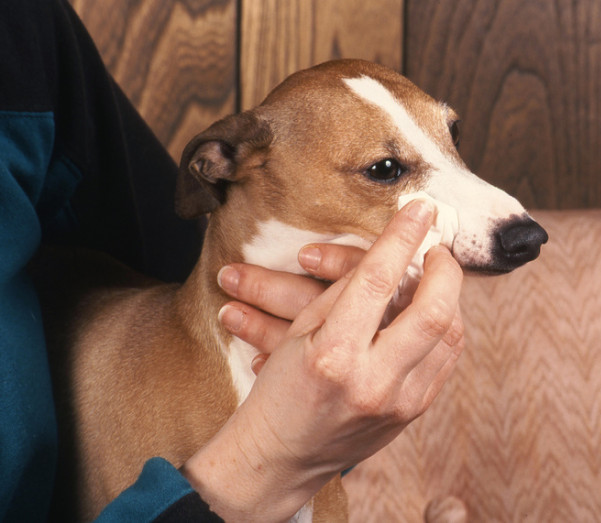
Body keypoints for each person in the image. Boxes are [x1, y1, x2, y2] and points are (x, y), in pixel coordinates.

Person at [0, 0, 464, 521]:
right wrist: (266, 458)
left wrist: (330, 365)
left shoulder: (27, 33)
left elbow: (188, 259)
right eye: (384, 167)